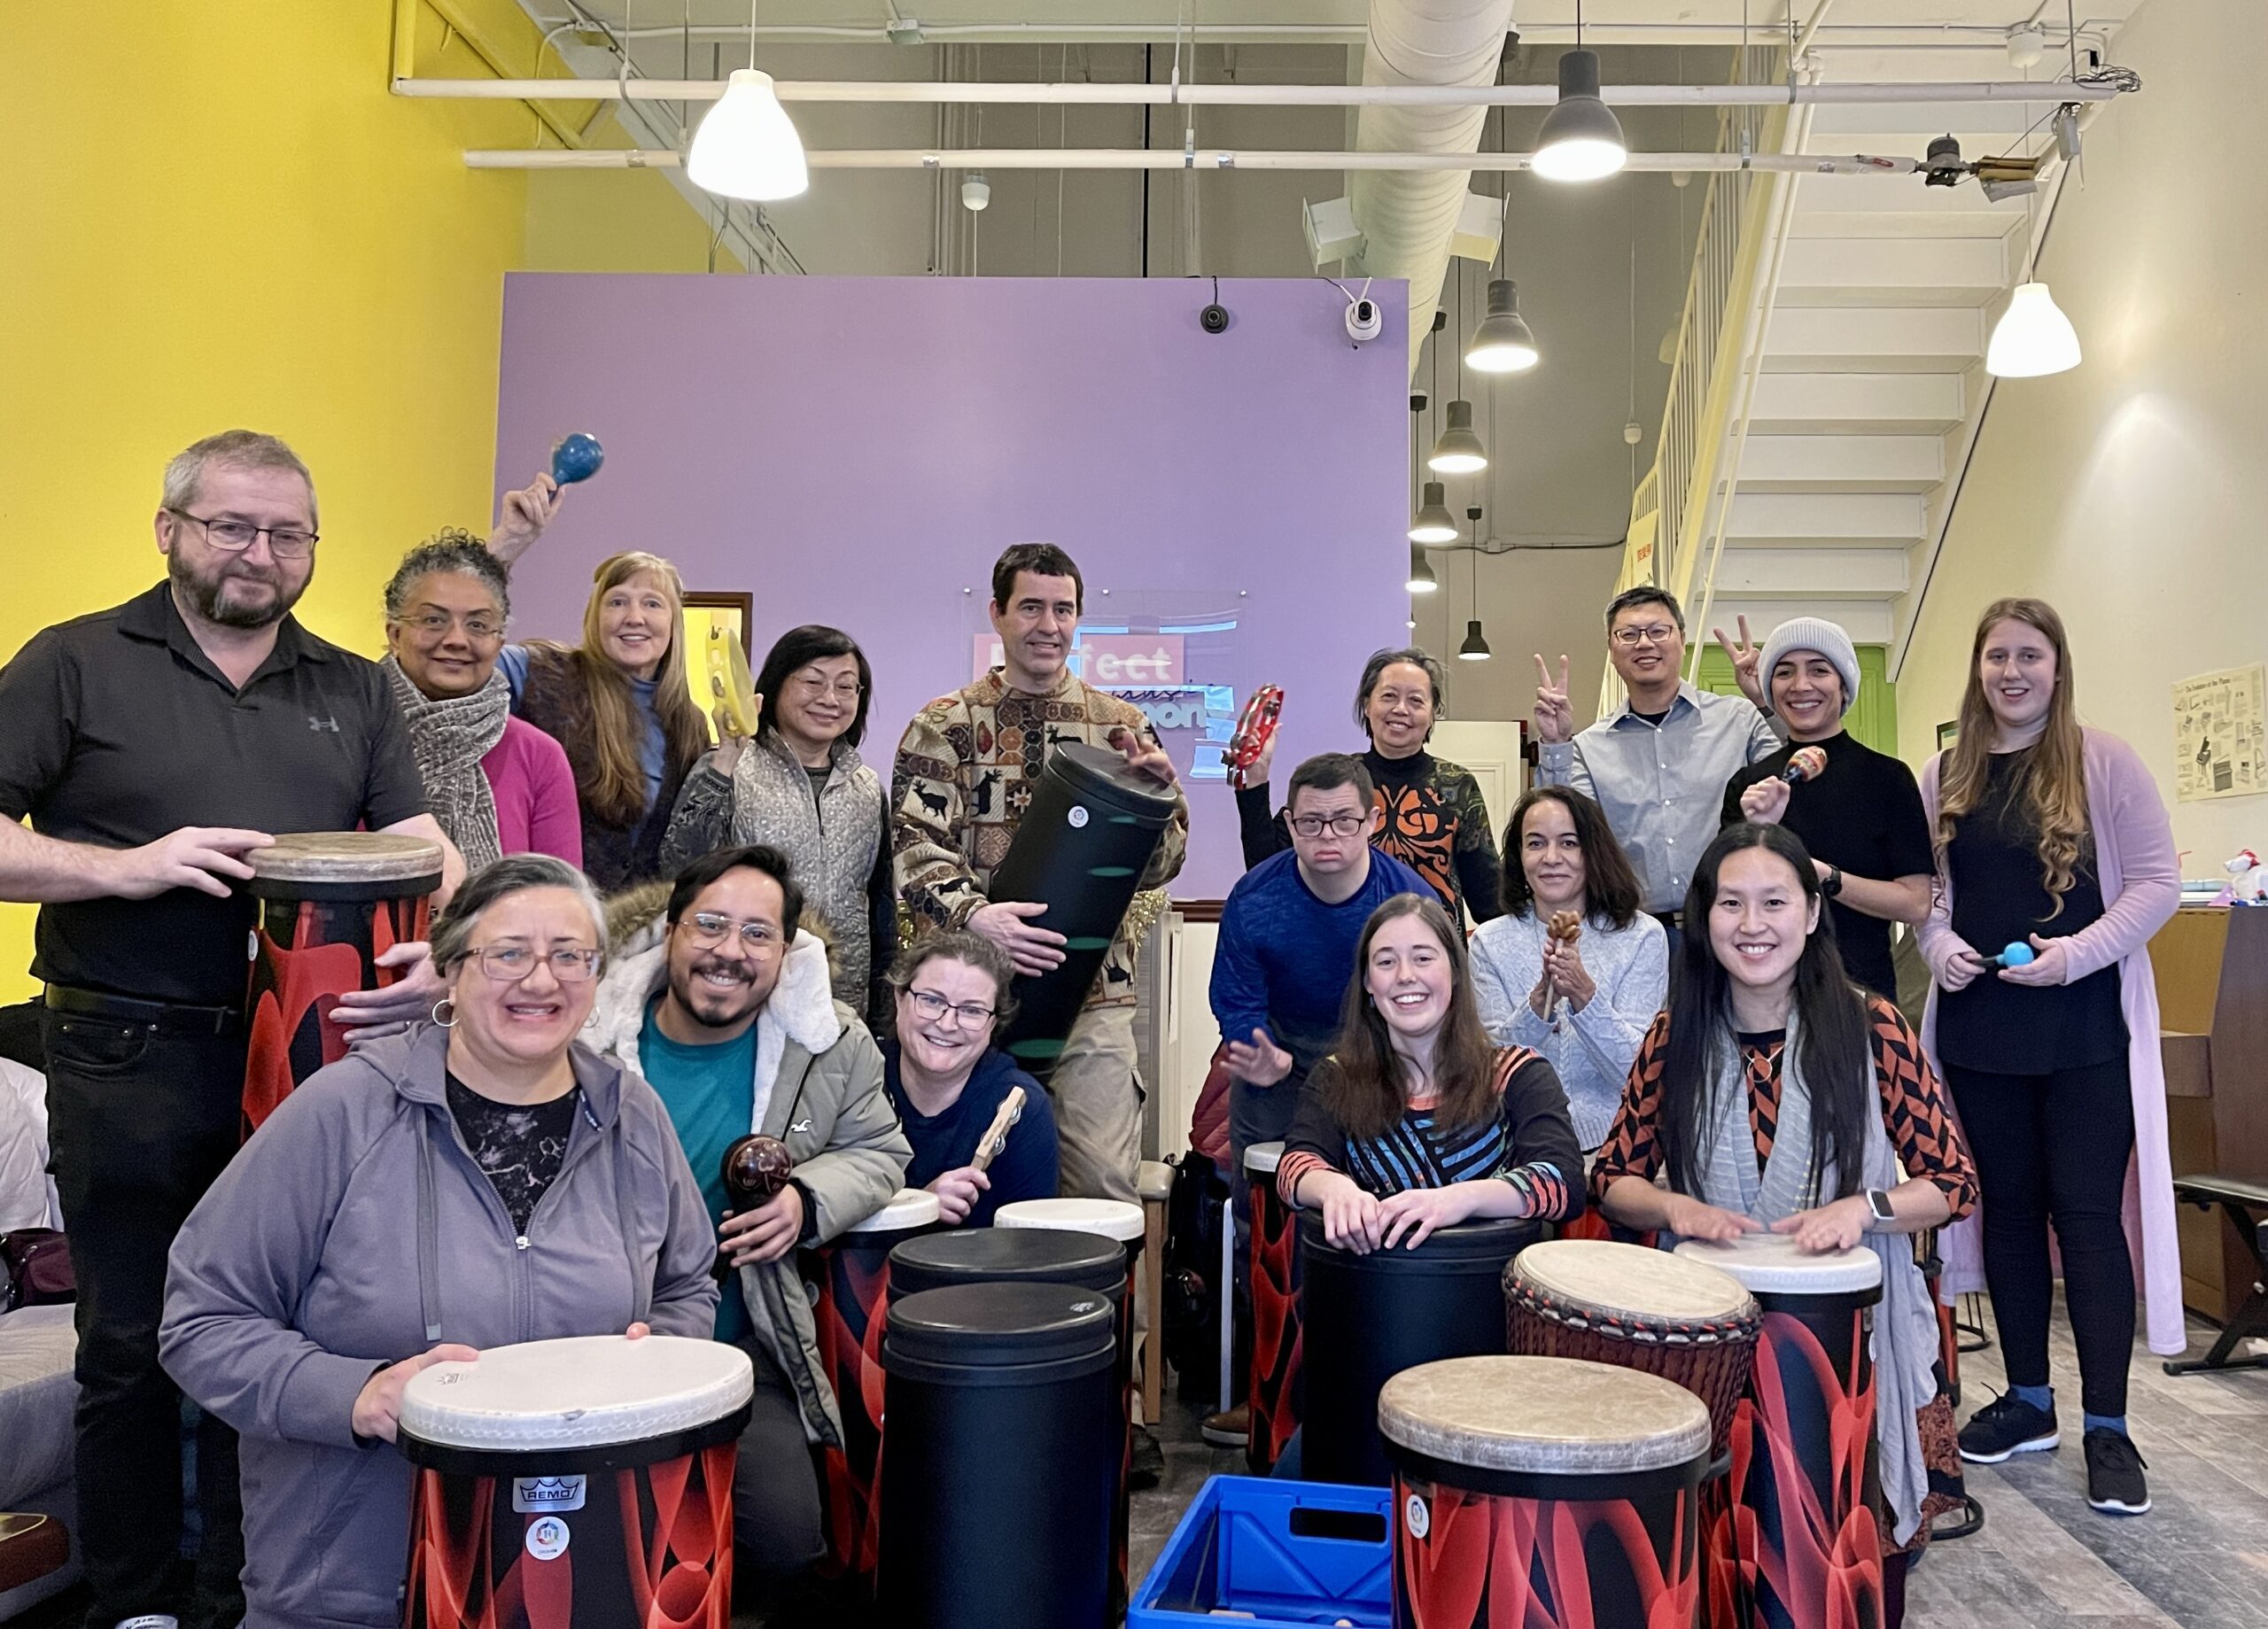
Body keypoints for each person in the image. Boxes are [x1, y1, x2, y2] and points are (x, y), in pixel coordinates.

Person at [0, 430, 461, 1629]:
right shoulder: (75, 662)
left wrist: (429, 944)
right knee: (133, 1345)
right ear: (170, 530)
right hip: (124, 1049)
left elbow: (430, 847)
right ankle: (139, 1600)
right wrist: (128, 867)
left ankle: (254, 1595)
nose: (260, 551)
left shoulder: (356, 683)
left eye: (288, 532)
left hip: (315, 1067)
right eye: (231, 525)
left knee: (292, 1335)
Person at [159, 855, 718, 1629]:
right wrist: (358, 1395)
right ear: (449, 969)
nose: (542, 979)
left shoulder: (633, 1116)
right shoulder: (344, 1111)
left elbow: (689, 1283)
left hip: (577, 1578)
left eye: (569, 955)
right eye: (509, 953)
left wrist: (655, 1353)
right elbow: (201, 1318)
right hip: (354, 1587)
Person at [1591, 822, 1977, 1590]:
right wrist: (1673, 1209)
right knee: (1723, 1544)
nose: (1753, 923)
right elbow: (1610, 1178)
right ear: (1705, 918)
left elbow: (1952, 1183)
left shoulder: (1872, 1025)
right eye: (1731, 902)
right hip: (1709, 1336)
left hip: (1850, 1340)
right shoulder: (1676, 1035)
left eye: (1774, 901)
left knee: (1844, 1547)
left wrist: (1863, 1208)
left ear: (1810, 912)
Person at [583, 844, 910, 1594]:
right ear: (670, 930)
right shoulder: (585, 1040)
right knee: (607, 1547)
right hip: (597, 1340)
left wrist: (806, 1199)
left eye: (758, 934)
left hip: (744, 1344)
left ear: (786, 952)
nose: (731, 951)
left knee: (789, 1543)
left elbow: (879, 1148)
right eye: (711, 925)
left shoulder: (828, 1042)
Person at [1916, 598, 2179, 1517]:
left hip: (2082, 1038)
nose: (2012, 672)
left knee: (2088, 1220)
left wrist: (2074, 955)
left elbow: (2155, 885)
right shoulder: (1942, 773)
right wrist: (1935, 941)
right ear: (1978, 667)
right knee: (2010, 1216)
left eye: (2030, 655)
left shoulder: (2103, 761)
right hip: (1983, 1036)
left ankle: (2108, 1425)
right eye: (1997, 656)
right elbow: (1929, 894)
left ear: (2057, 668)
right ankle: (2028, 1401)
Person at [892, 542, 1188, 1211]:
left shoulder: (1124, 726)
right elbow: (916, 847)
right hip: (968, 1001)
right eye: (1030, 607)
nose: (1048, 625)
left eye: (1063, 609)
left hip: (1094, 998)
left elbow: (1162, 867)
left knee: (1104, 1190)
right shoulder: (945, 724)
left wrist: (1161, 808)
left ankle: (1103, 1320)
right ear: (997, 615)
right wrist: (977, 918)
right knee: (964, 1184)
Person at [1206, 752, 1430, 1444]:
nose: (1326, 836)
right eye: (1309, 822)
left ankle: (1382, 1376)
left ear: (1369, 822)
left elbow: (1428, 990)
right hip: (1280, 1055)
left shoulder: (1406, 898)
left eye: (1342, 821)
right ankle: (1266, 1386)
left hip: (1376, 1052)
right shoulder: (1256, 895)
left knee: (1378, 1202)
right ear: (1290, 824)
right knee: (1263, 1221)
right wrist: (1258, 1048)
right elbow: (1235, 996)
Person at [1278, 891, 1583, 1249]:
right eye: (1386, 962)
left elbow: (1564, 1181)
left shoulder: (1517, 1072)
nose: (1405, 976)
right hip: (1371, 1287)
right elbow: (1294, 1166)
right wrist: (1334, 1188)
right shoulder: (1336, 1077)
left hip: (1487, 1286)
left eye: (1423, 958)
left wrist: (1460, 1199)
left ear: (1455, 972)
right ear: (1368, 984)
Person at [663, 624, 894, 1020]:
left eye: (846, 687)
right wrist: (722, 766)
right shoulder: (731, 766)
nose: (829, 699)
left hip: (843, 1005)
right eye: (812, 682)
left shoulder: (867, 786)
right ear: (774, 686)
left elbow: (880, 904)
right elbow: (678, 868)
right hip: (748, 995)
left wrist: (884, 1007)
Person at [1533, 588, 1778, 938]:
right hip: (1633, 935)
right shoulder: (1589, 748)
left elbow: (1798, 782)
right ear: (1612, 649)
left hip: (1731, 928)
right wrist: (1556, 743)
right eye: (1628, 634)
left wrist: (1765, 702)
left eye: (1658, 631)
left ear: (1682, 639)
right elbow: (1561, 826)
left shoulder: (1738, 719)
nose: (1644, 643)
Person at [1718, 617, 1931, 1002]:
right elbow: (1724, 900)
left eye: (1819, 670)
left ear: (1843, 685)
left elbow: (1916, 904)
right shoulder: (1750, 786)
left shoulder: (1887, 778)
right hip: (1763, 999)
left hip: (1862, 995)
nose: (1801, 685)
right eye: (1784, 672)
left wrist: (1824, 876)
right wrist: (1754, 833)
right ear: (1769, 687)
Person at [1236, 648, 1503, 927]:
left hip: (1433, 957)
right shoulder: (1338, 779)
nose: (1401, 709)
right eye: (1389, 696)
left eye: (1416, 700)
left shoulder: (1458, 785)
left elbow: (1489, 900)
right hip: (1344, 957)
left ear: (1433, 712)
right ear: (1367, 705)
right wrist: (1254, 782)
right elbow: (1266, 871)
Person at [1469, 786, 1667, 1152]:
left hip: (1618, 1147)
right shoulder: (1488, 942)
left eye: (1569, 843)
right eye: (1535, 843)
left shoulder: (1642, 936)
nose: (1551, 858)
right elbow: (1487, 1071)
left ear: (1593, 852)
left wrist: (1583, 996)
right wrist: (1538, 1005)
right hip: (1517, 1148)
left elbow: (1640, 1072)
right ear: (1518, 856)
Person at [496, 550, 709, 891]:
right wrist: (506, 546)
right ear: (595, 616)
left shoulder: (688, 722)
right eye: (617, 602)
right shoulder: (537, 671)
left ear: (674, 623)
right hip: (547, 913)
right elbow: (461, 656)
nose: (634, 617)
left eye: (652, 604)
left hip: (641, 926)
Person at [380, 529, 582, 872]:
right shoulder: (351, 738)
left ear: (499, 642)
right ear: (395, 634)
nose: (457, 640)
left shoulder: (538, 756)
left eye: (477, 625)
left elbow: (559, 899)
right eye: (434, 620)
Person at [881, 933, 1060, 1227]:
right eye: (931, 1000)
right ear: (899, 998)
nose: (947, 1024)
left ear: (993, 1023)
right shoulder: (857, 1084)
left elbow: (1031, 1252)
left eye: (971, 1010)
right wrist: (920, 1205)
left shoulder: (1025, 1108)